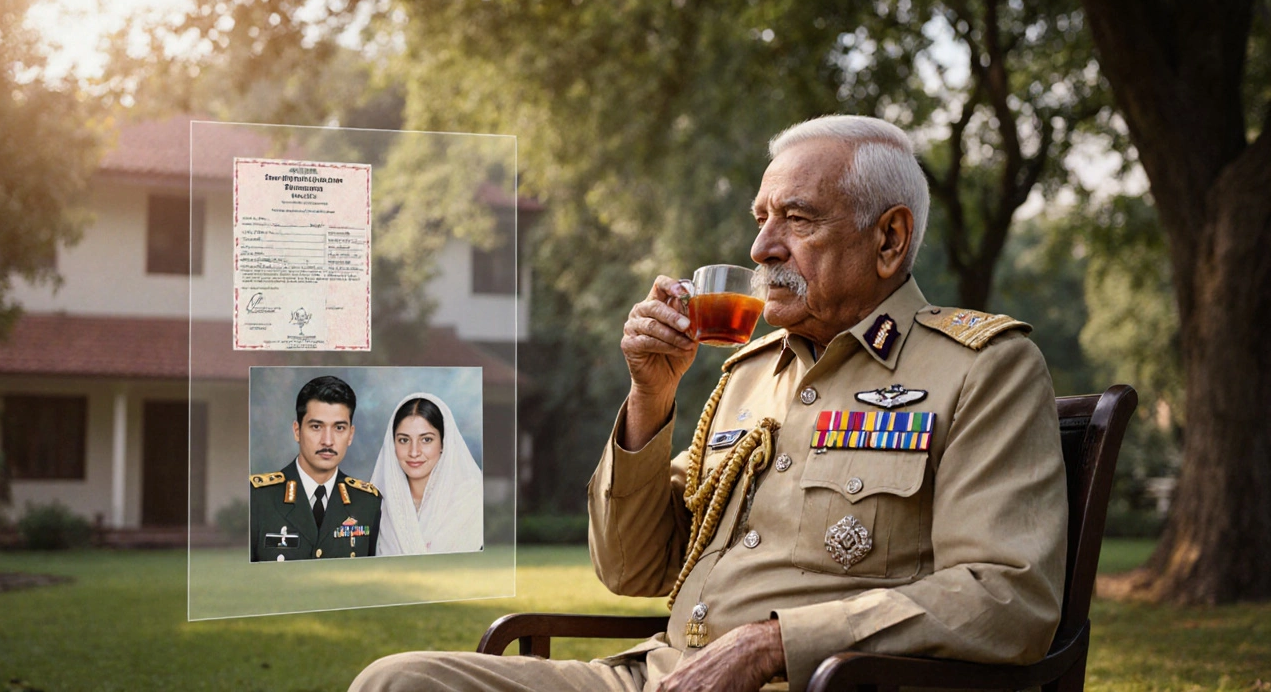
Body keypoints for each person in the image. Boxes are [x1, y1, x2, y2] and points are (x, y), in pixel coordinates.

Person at [350, 115, 1067, 692]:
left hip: (817, 681)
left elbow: (1007, 599)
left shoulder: (982, 370)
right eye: (761, 217)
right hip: (660, 675)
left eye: (796, 219)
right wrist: (650, 398)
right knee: (400, 680)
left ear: (889, 238)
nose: (761, 247)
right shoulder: (748, 374)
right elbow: (631, 570)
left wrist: (772, 646)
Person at [250, 375, 383, 562]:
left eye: (339, 428)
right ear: (297, 431)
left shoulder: (367, 503)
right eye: (316, 426)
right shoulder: (258, 499)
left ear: (350, 435)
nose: (327, 441)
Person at [371, 393, 484, 555]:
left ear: (443, 443)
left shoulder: (471, 500)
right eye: (404, 440)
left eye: (426, 440)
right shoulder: (379, 505)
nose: (414, 452)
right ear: (392, 444)